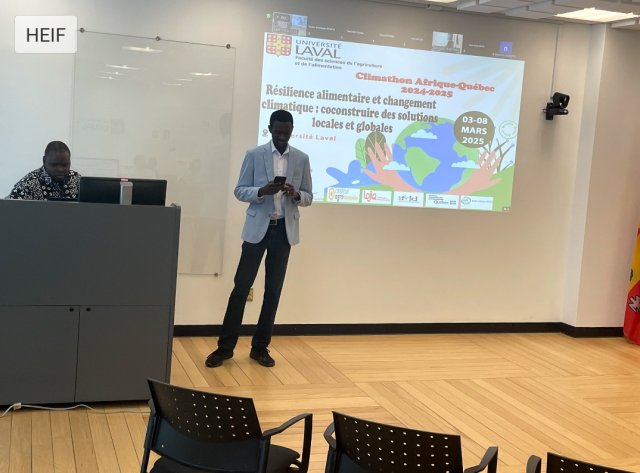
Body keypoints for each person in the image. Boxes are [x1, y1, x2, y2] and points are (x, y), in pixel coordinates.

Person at [206, 109, 312, 368]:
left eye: (286, 132)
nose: (282, 136)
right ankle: (224, 348)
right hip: (256, 232)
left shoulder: (301, 158)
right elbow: (240, 190)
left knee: (273, 292)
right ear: (269, 129)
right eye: (278, 132)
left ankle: (260, 348)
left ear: (292, 131)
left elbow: (309, 196)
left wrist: (296, 194)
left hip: (283, 232)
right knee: (241, 288)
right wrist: (262, 191)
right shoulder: (254, 154)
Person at [10, 141, 80, 200]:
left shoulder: (78, 181)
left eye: (65, 165)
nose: (60, 169)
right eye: (54, 165)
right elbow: (11, 209)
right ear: (44, 161)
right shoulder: (28, 184)